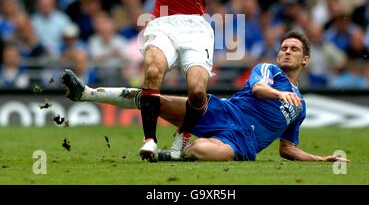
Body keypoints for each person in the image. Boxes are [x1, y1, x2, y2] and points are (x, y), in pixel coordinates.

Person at [62, 30, 349, 162]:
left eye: (294, 49)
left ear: (306, 60)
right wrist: (277, 95)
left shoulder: (300, 107)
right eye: (284, 47)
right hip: (221, 111)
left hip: (240, 143)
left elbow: (287, 149)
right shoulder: (269, 71)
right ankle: (86, 93)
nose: (286, 51)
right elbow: (259, 90)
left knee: (201, 151)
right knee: (156, 99)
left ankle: (173, 153)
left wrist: (319, 159)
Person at [112, 0, 214, 161]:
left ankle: (184, 135)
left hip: (194, 27)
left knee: (197, 90)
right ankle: (150, 141)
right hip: (163, 24)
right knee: (153, 70)